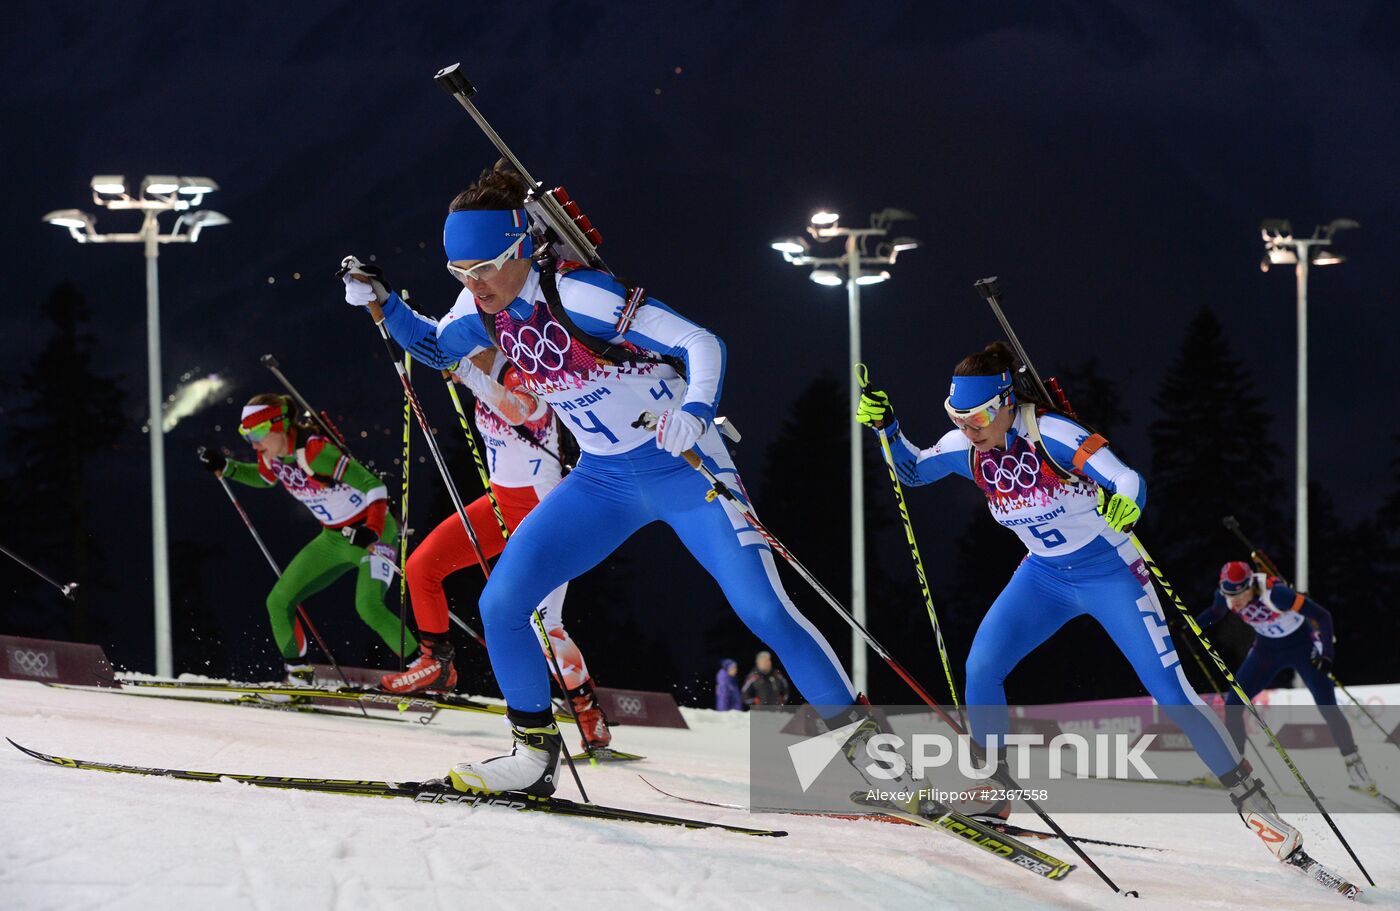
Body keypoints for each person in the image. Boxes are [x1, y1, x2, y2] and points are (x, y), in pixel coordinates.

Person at [344, 160, 857, 797]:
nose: (475, 286)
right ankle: (532, 758)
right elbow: (436, 348)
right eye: (460, 274)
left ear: (522, 247)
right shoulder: (478, 305)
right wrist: (384, 304)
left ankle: (865, 753)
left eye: (484, 269)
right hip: (602, 481)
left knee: (763, 610)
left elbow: (701, 342)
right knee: (501, 603)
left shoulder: (582, 294)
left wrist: (695, 411)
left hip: (682, 469)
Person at [857, 341, 1305, 861]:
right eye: (956, 415)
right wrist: (888, 428)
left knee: (1171, 691)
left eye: (977, 415)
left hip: (1111, 574)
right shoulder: (966, 447)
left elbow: (1125, 477)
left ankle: (1253, 803)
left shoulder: (1052, 433)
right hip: (1043, 578)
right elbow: (911, 471)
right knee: (982, 667)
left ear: (1005, 402)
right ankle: (996, 790)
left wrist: (1127, 504)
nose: (967, 427)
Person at [367, 339, 613, 750]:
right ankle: (436, 663)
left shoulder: (529, 373)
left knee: (544, 626)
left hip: (543, 516)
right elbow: (426, 337)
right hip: (499, 505)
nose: (456, 347)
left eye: (463, 340)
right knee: (422, 566)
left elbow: (516, 408)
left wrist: (465, 371)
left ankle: (587, 711)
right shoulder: (481, 371)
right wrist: (386, 306)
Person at [198, 394, 413, 681]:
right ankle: (298, 676)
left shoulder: (315, 452)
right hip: (333, 538)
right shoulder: (269, 456)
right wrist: (228, 468)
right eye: (247, 436)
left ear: (280, 424)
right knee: (279, 600)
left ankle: (426, 670)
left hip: (373, 535)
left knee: (369, 606)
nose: (255, 443)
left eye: (258, 433)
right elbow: (264, 479)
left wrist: (372, 528)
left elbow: (373, 486)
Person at [1198, 561, 1376, 792]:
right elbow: (1216, 612)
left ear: (1250, 585)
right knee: (1233, 702)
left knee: (1327, 706)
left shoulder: (1277, 594)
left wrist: (1327, 655)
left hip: (1302, 647)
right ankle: (1233, 767)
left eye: (1240, 594)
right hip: (1266, 650)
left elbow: (1323, 616)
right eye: (1229, 594)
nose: (1235, 601)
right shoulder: (1226, 594)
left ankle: (1356, 767)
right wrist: (1189, 624)